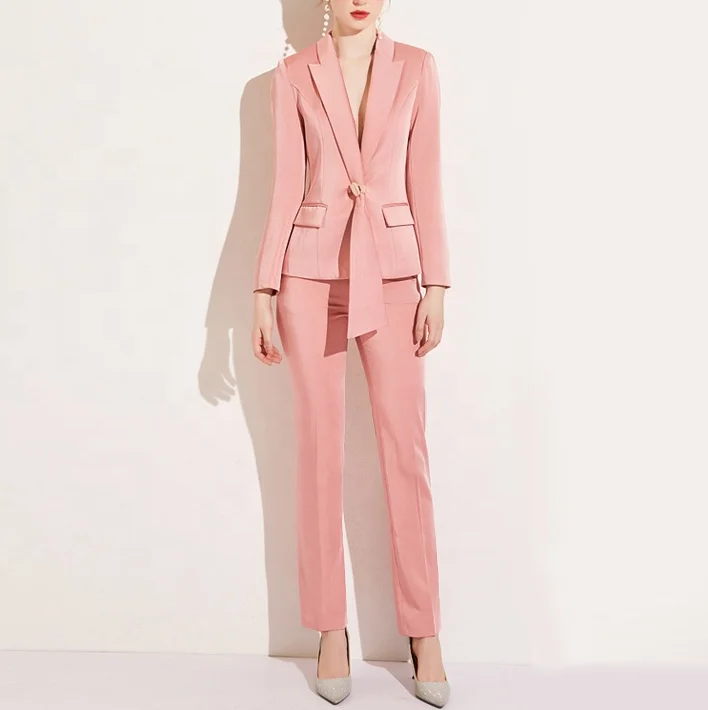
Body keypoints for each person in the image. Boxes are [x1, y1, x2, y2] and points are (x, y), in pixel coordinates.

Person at [251, 0, 450, 705]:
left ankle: (424, 632)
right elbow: (284, 185)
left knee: (406, 453)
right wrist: (264, 289)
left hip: (393, 275)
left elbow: (425, 179)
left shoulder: (418, 68)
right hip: (310, 277)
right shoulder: (292, 74)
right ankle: (328, 629)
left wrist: (437, 283)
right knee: (318, 453)